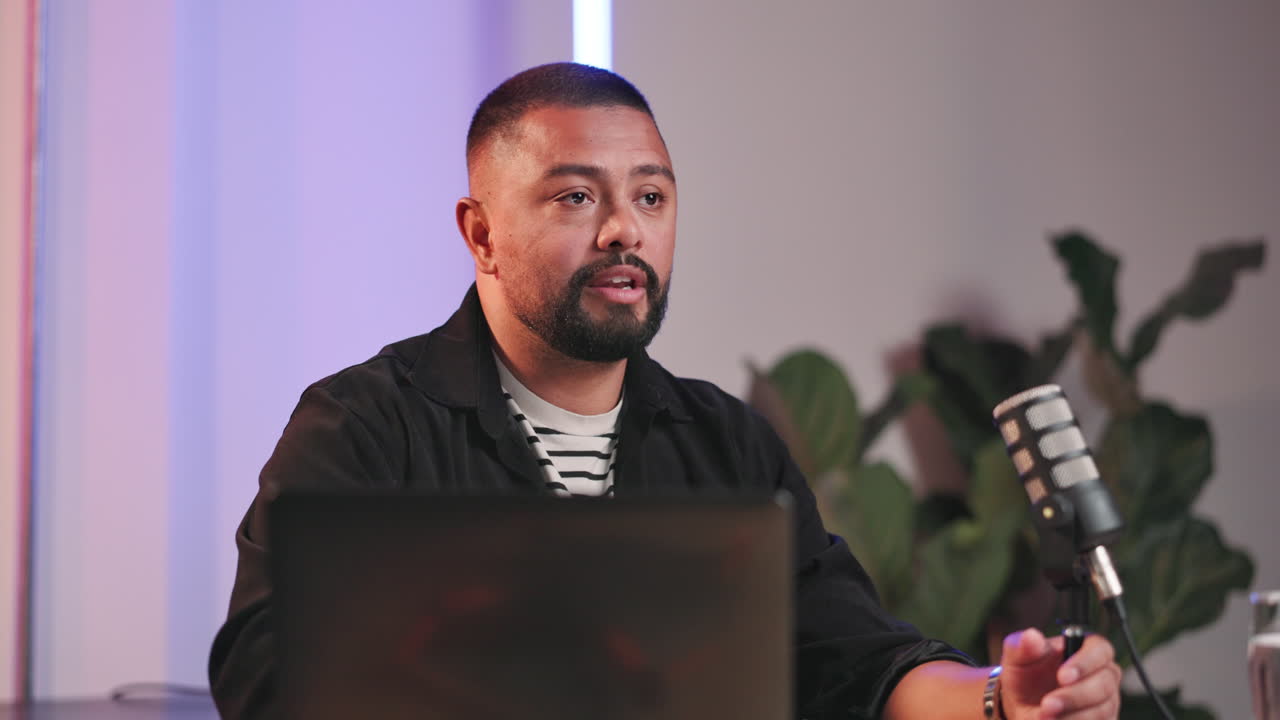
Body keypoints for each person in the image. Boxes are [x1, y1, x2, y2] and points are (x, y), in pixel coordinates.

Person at [208, 62, 1122, 719]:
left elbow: (852, 660)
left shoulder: (725, 444)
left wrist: (1006, 698)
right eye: (575, 199)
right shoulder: (365, 425)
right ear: (481, 235)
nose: (623, 232)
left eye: (651, 198)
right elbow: (265, 674)